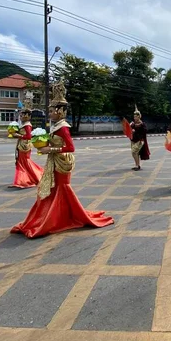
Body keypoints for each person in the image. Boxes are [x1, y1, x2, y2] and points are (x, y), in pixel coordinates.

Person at [11, 83, 113, 238]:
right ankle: (57, 216)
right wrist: (44, 143)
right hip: (55, 160)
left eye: (51, 111)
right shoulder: (56, 125)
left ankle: (62, 217)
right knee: (54, 189)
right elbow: (56, 142)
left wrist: (49, 149)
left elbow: (71, 147)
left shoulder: (63, 127)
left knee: (61, 188)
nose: (49, 114)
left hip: (62, 162)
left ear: (59, 111)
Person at [11, 104, 44, 188]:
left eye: (22, 115)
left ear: (27, 116)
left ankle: (35, 176)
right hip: (21, 144)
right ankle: (22, 180)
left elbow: (29, 136)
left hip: (25, 145)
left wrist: (18, 135)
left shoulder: (27, 125)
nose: (21, 116)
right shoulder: (24, 124)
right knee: (21, 162)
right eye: (20, 115)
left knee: (25, 162)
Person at [130, 105, 150, 171]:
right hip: (133, 139)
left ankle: (137, 165)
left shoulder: (142, 124)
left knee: (134, 152)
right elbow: (129, 130)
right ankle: (137, 165)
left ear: (139, 116)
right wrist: (131, 129)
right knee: (135, 153)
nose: (134, 117)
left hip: (140, 140)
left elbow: (145, 132)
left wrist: (136, 130)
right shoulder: (132, 123)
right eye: (134, 116)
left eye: (136, 116)